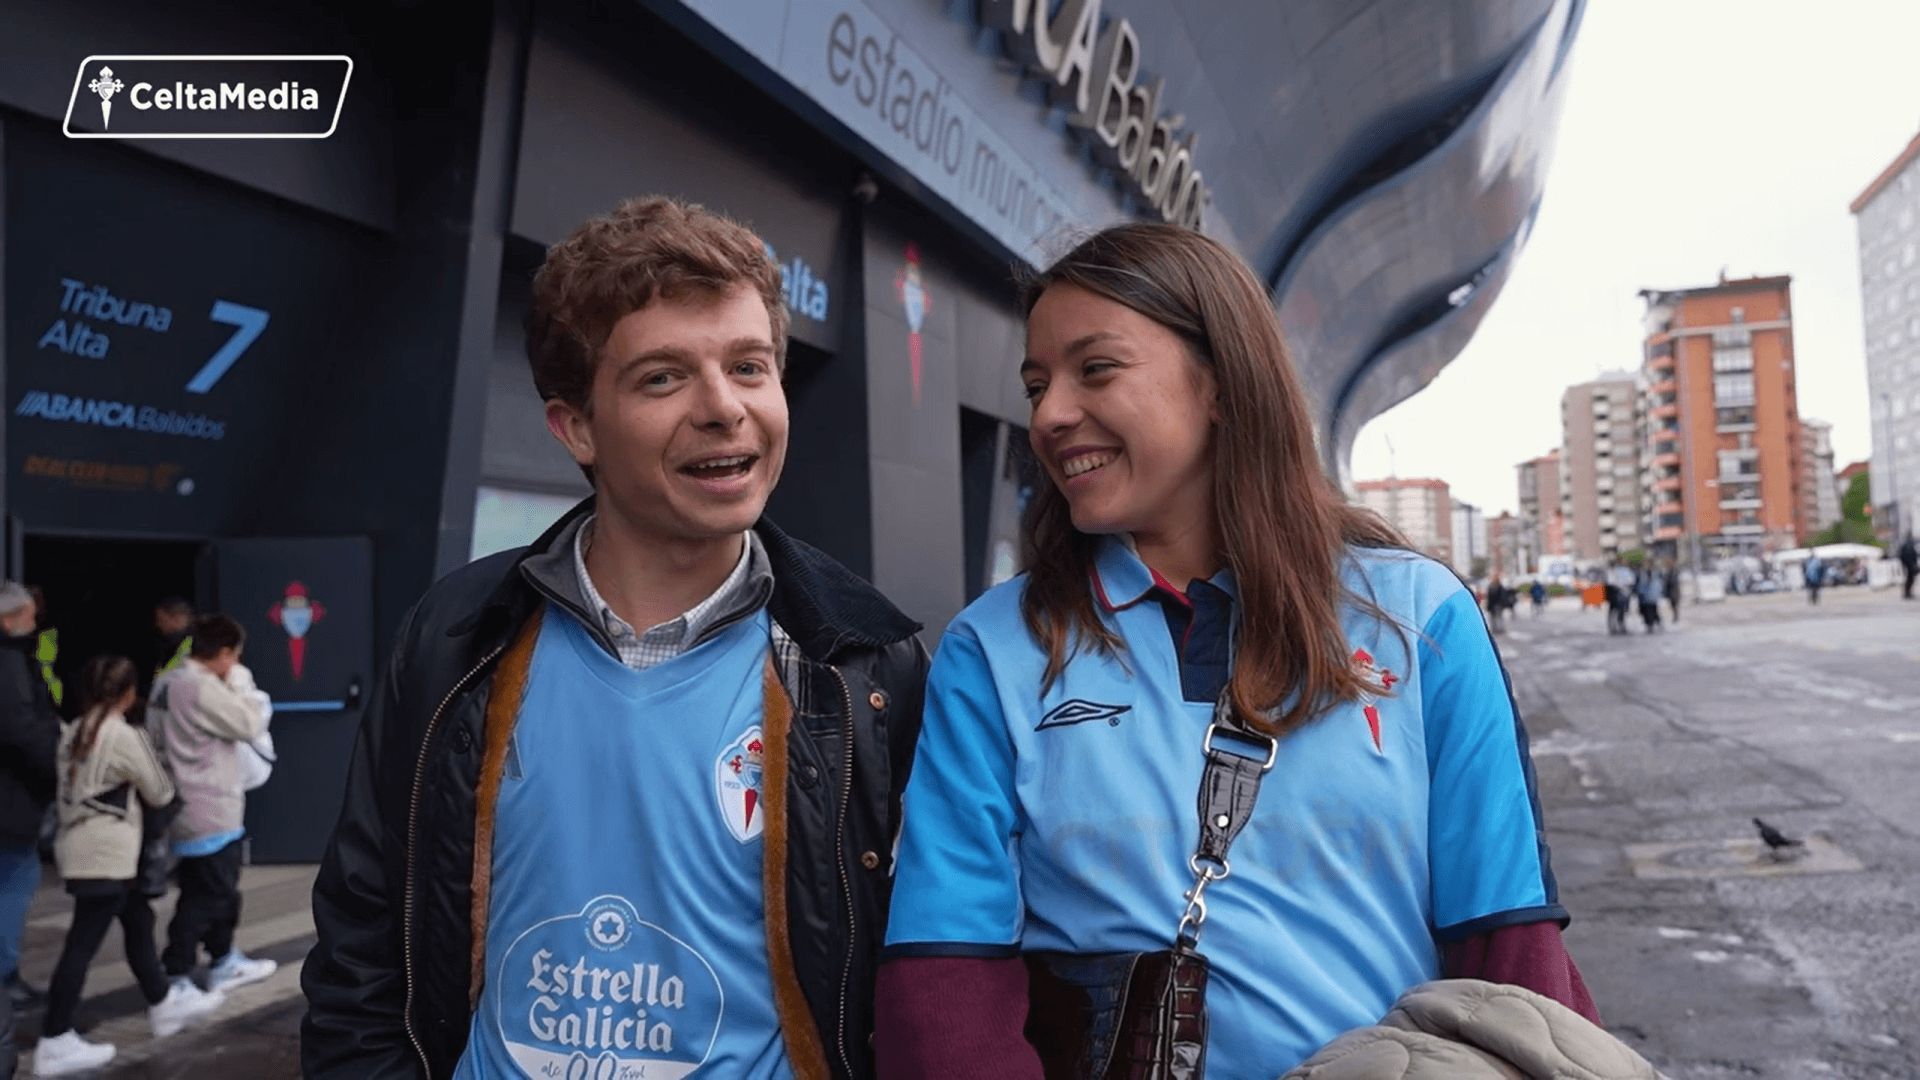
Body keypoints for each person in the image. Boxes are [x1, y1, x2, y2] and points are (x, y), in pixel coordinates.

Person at [873, 224, 1594, 1078]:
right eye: (1037, 386)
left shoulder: (1421, 617)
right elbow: (944, 985)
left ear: (1220, 382)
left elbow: (1509, 954)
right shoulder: (993, 651)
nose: (1050, 414)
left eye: (1095, 369)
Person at [301, 197, 930, 1079]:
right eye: (663, 378)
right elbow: (362, 946)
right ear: (577, 427)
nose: (724, 408)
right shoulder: (455, 638)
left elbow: (926, 970)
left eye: (749, 367)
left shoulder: (867, 662)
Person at [32, 657, 226, 1076]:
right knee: (81, 946)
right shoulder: (122, 734)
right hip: (109, 854)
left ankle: (162, 1002)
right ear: (129, 693)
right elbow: (159, 791)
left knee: (138, 921)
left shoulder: (73, 731)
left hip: (81, 849)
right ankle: (55, 1039)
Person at [148, 615, 278, 998]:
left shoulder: (165, 682)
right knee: (208, 896)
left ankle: (223, 958)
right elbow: (249, 722)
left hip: (181, 802)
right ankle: (177, 973)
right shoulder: (200, 686)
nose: (235, 663)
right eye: (235, 656)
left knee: (211, 889)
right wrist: (241, 684)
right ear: (223, 653)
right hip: (211, 807)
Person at [0, 583, 58, 1013]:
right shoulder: (9, 662)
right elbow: (20, 729)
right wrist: (59, 768)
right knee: (16, 880)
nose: (35, 622)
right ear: (8, 619)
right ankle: (5, 978)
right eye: (28, 615)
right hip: (10, 796)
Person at [150, 599, 194, 691]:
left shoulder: (197, 645)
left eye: (161, 619)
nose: (158, 625)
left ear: (177, 618)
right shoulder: (170, 646)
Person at [1606, 560, 1635, 635]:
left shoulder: (1625, 571)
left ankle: (1620, 625)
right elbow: (1611, 583)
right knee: (1613, 611)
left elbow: (1630, 581)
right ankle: (1613, 627)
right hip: (1614, 594)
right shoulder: (1611, 572)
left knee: (1622, 610)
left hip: (1622, 594)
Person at [1636, 564, 1665, 634]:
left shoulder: (1654, 579)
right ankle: (1650, 625)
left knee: (1652, 612)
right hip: (1647, 600)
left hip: (1651, 599)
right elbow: (1640, 589)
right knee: (1648, 613)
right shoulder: (1644, 578)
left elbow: (1658, 588)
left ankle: (1652, 624)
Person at [1899, 535, 1917, 600]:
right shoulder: (1907, 546)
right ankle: (1907, 593)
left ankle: (1908, 592)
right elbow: (1903, 557)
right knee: (1909, 579)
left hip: (1910, 565)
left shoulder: (1909, 546)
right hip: (1909, 565)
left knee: (1910, 579)